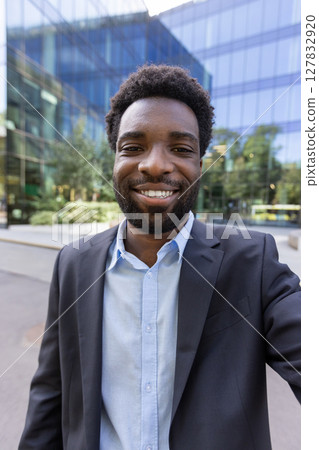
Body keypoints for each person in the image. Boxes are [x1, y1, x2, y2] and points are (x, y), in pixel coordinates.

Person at [19, 65, 300, 450]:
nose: (154, 164)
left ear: (200, 166)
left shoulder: (253, 261)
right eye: (132, 148)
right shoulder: (73, 263)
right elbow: (49, 399)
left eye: (181, 149)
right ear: (114, 162)